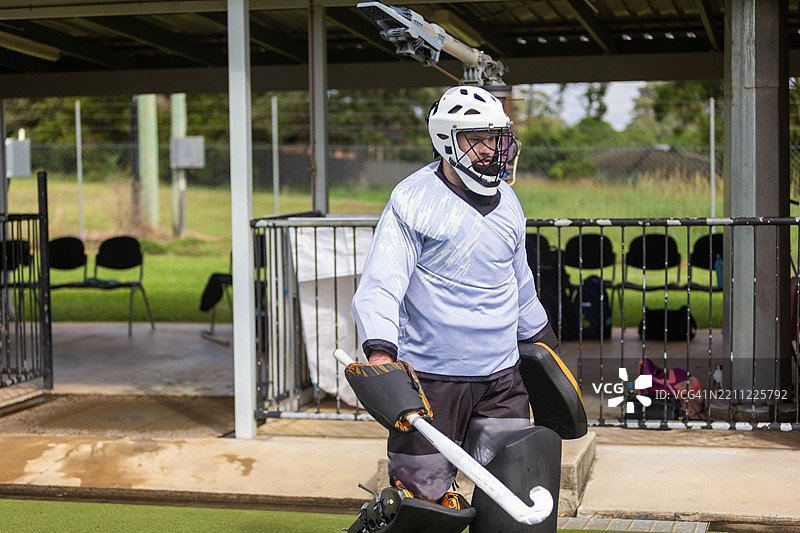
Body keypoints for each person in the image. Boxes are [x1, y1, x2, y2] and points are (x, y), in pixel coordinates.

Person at [350, 84, 560, 511]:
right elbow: (381, 283)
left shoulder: (510, 203)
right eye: (476, 139)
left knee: (513, 493)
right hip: (431, 383)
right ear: (447, 140)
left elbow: (520, 284)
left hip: (502, 379)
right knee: (423, 501)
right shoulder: (412, 201)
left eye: (496, 138)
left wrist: (546, 346)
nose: (490, 150)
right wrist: (379, 354)